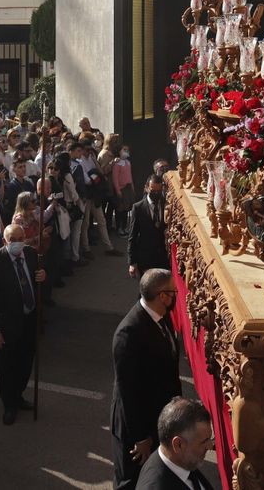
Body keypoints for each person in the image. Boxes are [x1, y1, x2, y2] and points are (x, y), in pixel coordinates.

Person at [111, 269, 184, 490]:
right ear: (163, 296)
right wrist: (141, 437)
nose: (176, 296)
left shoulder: (162, 317)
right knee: (132, 480)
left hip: (158, 415)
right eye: (173, 292)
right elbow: (128, 392)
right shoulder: (129, 334)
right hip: (137, 427)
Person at [0, 223, 46, 425]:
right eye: (13, 240)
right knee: (7, 366)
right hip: (7, 324)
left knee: (26, 362)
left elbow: (37, 280)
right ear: (4, 241)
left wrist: (42, 277)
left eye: (21, 238)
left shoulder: (31, 254)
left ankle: (18, 396)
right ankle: (9, 404)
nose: (18, 243)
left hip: (29, 320)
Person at [133, 398, 217, 490]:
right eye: (204, 441)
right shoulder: (155, 486)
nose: (210, 446)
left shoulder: (183, 461)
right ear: (178, 445)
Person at [127, 173, 171, 279]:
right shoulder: (138, 208)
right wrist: (132, 263)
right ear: (146, 188)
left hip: (162, 258)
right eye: (153, 190)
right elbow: (132, 236)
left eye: (158, 191)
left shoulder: (167, 205)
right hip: (145, 259)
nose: (156, 193)